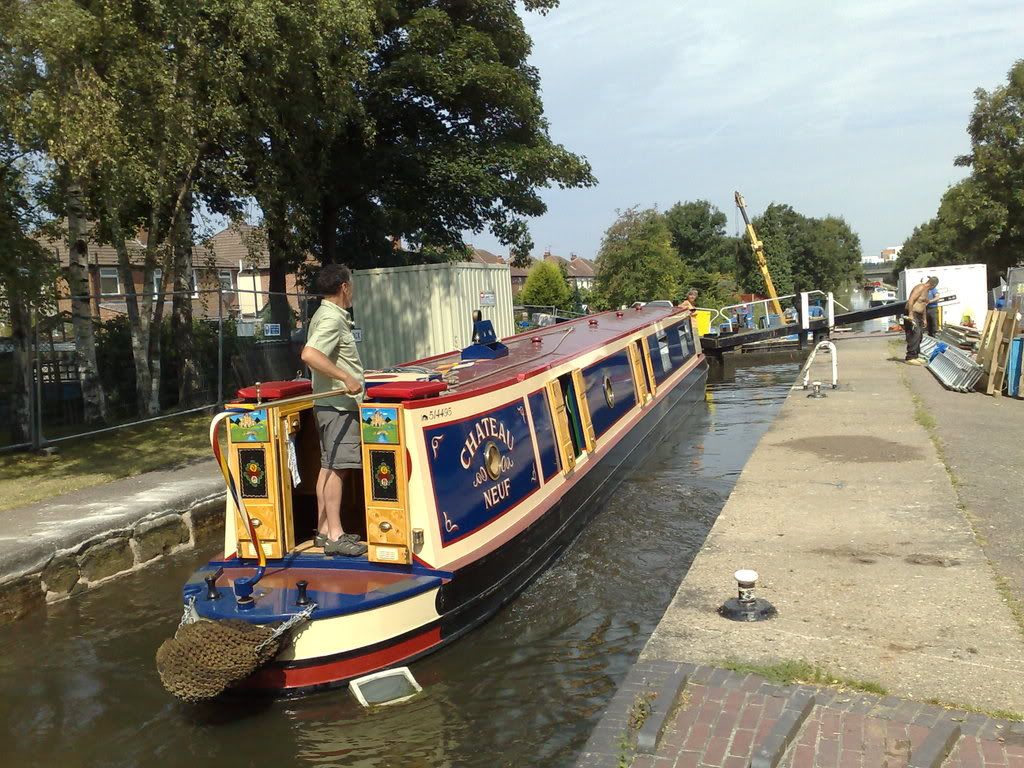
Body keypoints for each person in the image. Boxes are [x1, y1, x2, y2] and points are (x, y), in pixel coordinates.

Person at [300, 264, 367, 557]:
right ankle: (336, 535)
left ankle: (324, 530)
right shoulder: (331, 318)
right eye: (351, 286)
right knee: (338, 469)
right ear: (344, 287)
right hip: (339, 407)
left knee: (328, 467)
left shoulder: (323, 314)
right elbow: (310, 354)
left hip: (328, 406)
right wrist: (346, 377)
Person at [903, 276, 938, 365]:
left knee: (920, 335)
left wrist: (924, 318)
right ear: (933, 284)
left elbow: (923, 305)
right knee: (915, 334)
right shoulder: (920, 287)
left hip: (919, 315)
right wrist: (910, 314)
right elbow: (911, 299)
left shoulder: (927, 291)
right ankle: (910, 357)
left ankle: (915, 355)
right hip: (912, 313)